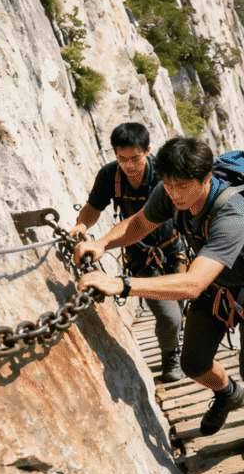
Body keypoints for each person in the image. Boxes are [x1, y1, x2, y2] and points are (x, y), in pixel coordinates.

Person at [75, 137, 244, 456]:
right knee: (193, 364)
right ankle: (228, 393)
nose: (175, 193)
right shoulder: (170, 190)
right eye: (169, 185)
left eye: (183, 186)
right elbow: (141, 222)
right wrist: (101, 243)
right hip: (217, 290)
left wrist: (122, 284)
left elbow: (193, 284)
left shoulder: (234, 214)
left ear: (206, 178)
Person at [71, 123, 187, 382]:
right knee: (169, 315)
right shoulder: (110, 176)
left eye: (135, 158)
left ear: (148, 150)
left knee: (178, 309)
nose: (129, 165)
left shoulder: (163, 175)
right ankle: (171, 358)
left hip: (173, 251)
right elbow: (93, 207)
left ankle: (174, 347)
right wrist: (82, 225)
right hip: (141, 257)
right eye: (122, 159)